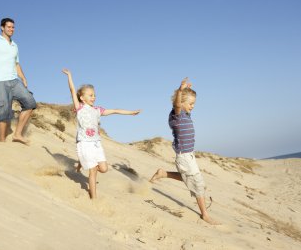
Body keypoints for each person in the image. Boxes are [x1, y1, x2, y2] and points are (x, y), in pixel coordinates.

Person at [150, 78, 220, 225]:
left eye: (194, 103)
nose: (193, 106)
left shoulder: (186, 114)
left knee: (187, 178)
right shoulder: (177, 115)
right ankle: (205, 215)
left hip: (189, 155)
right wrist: (180, 91)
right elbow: (176, 104)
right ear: (181, 103)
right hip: (184, 157)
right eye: (190, 103)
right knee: (198, 184)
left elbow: (182, 103)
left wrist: (186, 92)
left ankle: (163, 173)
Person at [63, 68, 140, 199]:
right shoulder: (79, 107)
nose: (94, 97)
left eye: (94, 95)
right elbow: (72, 90)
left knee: (104, 169)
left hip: (96, 144)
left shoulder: (98, 110)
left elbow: (115, 110)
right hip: (84, 143)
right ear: (82, 97)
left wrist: (131, 112)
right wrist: (69, 76)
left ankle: (83, 163)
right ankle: (93, 197)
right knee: (93, 171)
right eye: (90, 95)